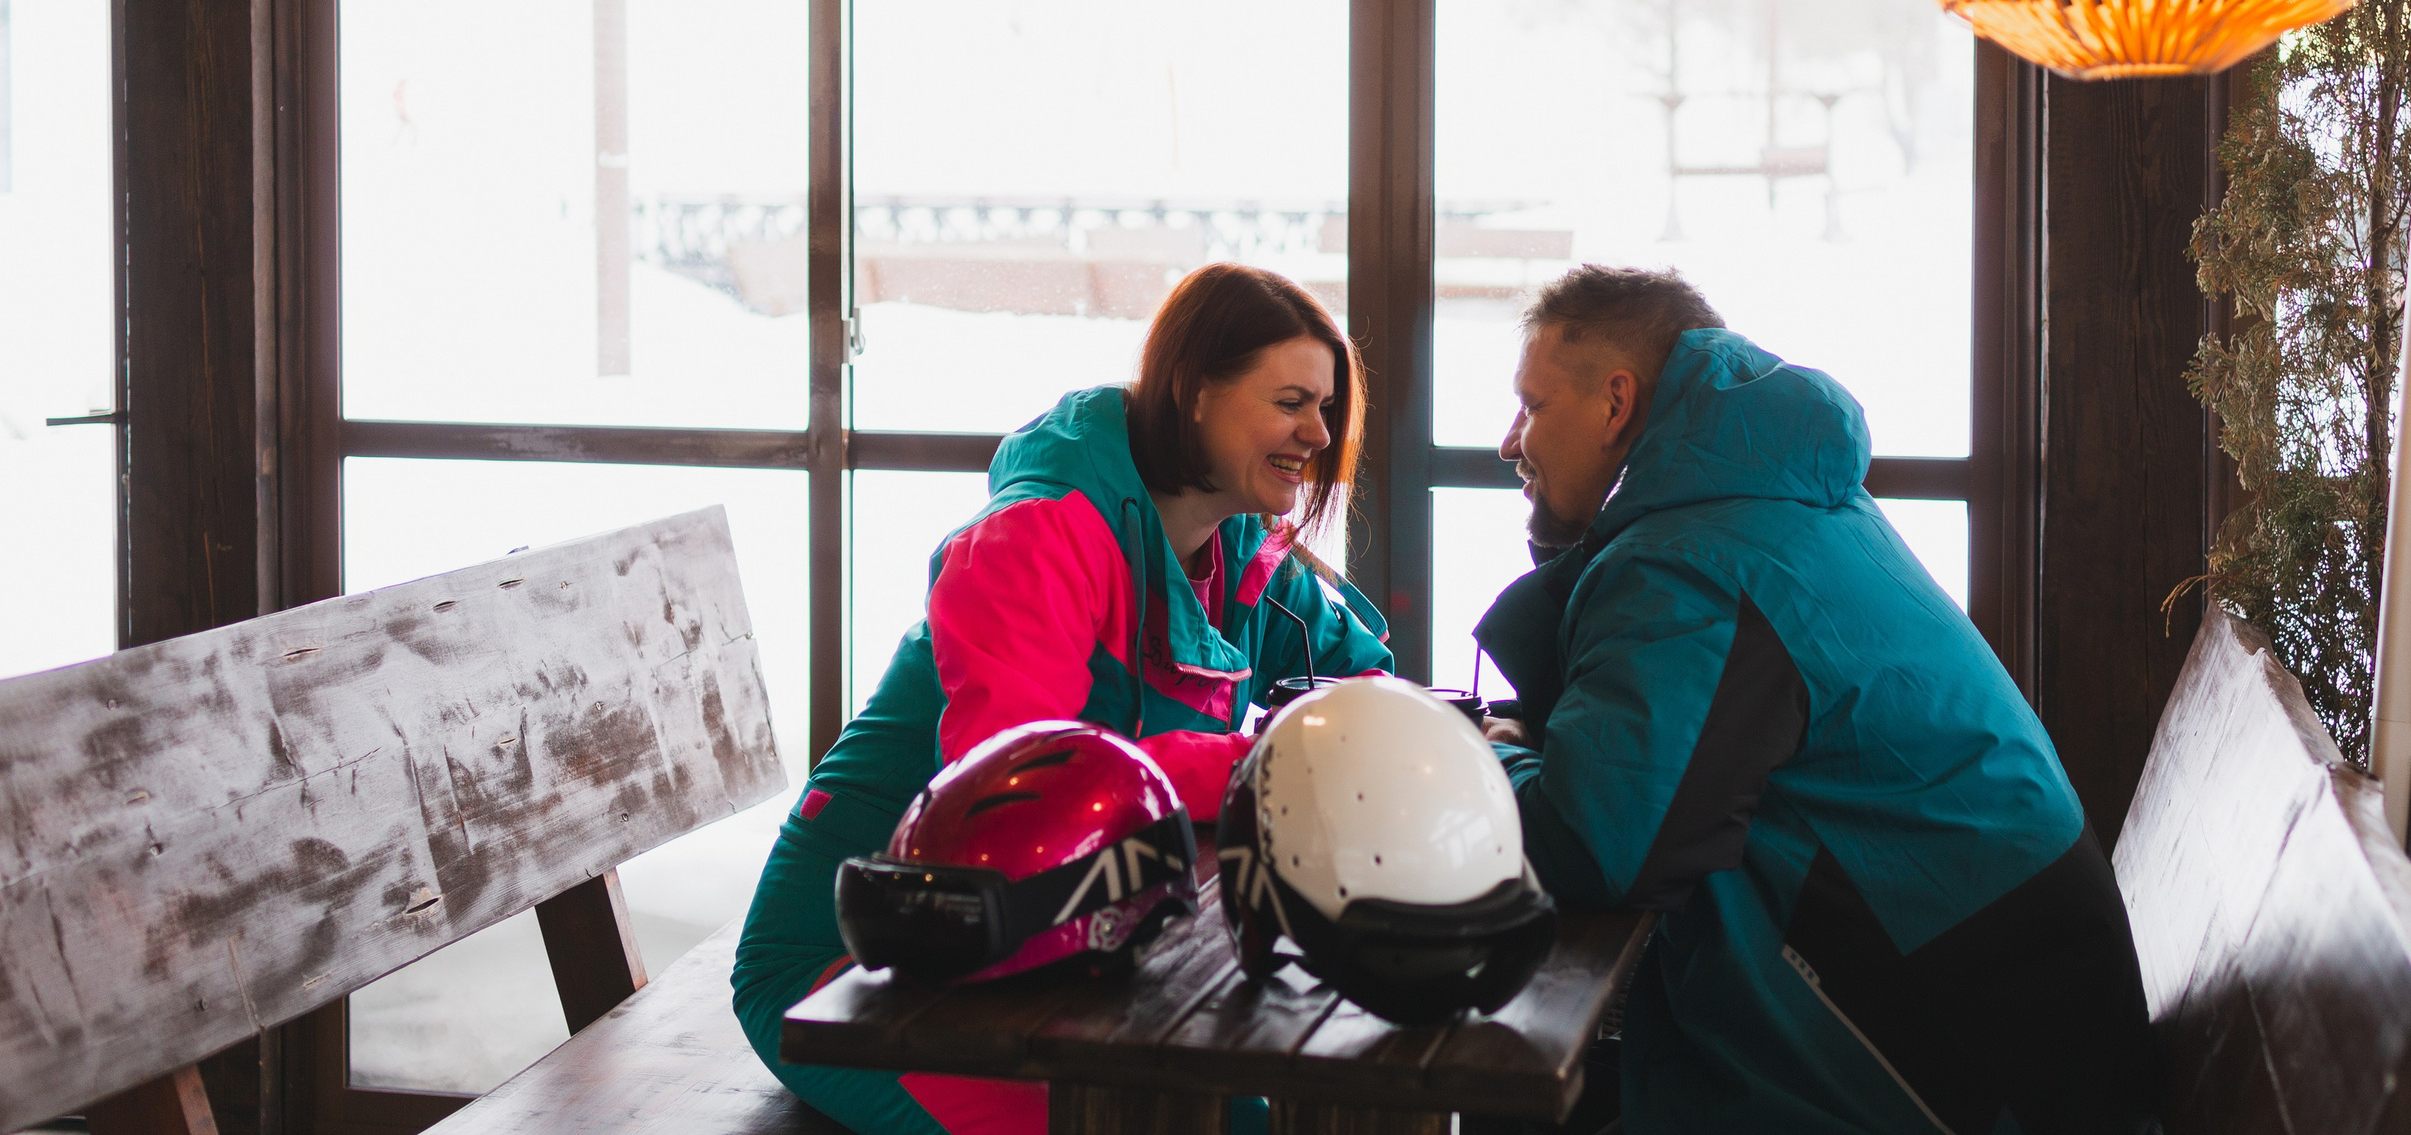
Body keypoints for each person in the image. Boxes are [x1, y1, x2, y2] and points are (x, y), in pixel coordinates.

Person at [1474, 265, 2156, 1135]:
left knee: (1523, 1093)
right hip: (2024, 1034)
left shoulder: (1687, 559)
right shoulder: (1780, 500)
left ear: (1615, 403)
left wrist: (1490, 754)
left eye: (1531, 405)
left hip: (1969, 1075)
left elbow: (1595, 847)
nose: (1509, 441)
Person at [733, 263, 1393, 1135]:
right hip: (865, 971)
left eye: (1326, 408)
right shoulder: (1036, 539)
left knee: (1248, 1117)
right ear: (1196, 392)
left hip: (1073, 954)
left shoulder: (1242, 549)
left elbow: (1371, 696)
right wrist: (1270, 762)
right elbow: (1028, 793)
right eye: (1291, 401)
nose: (1318, 431)